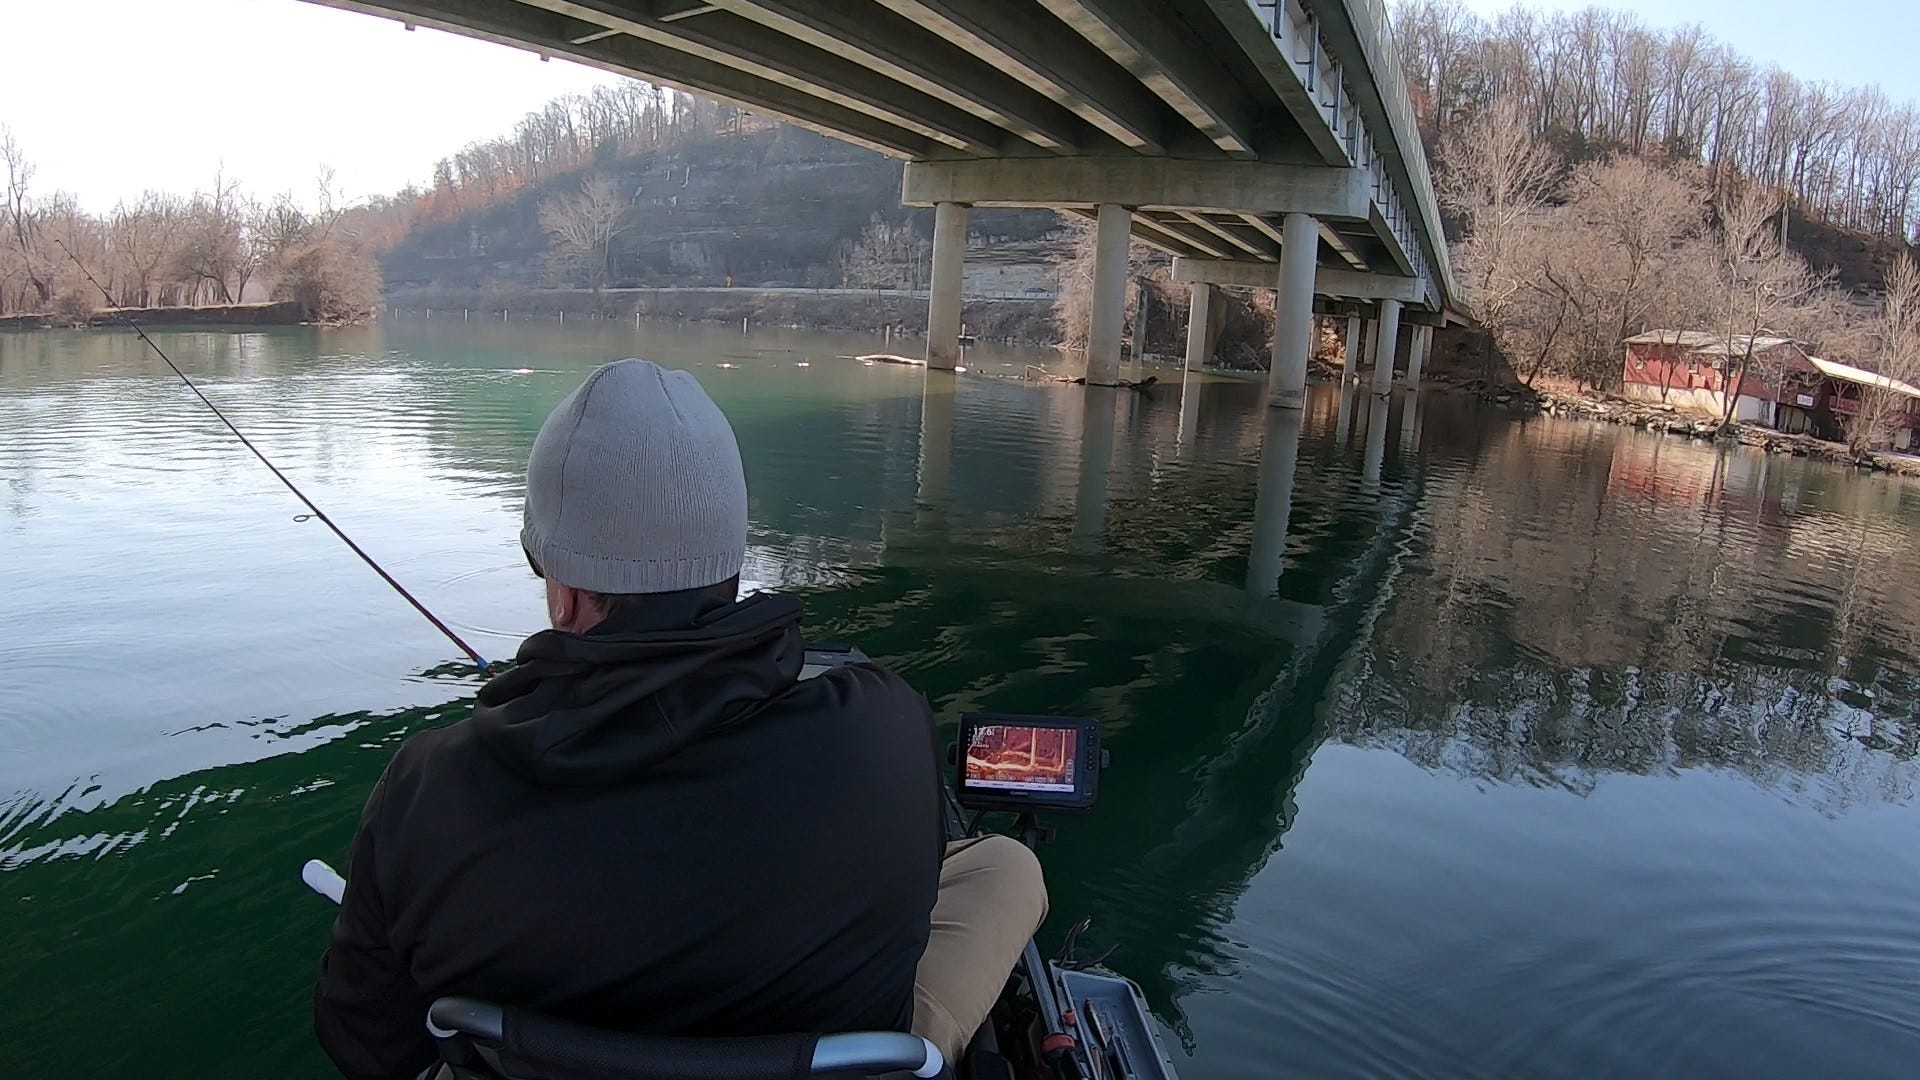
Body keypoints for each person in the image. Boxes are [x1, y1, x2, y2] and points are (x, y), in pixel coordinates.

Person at [314, 358, 1047, 1079]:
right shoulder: (882, 725)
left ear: (564, 596)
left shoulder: (427, 787)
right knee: (1007, 866)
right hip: (829, 1061)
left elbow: (368, 1045)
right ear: (733, 562)